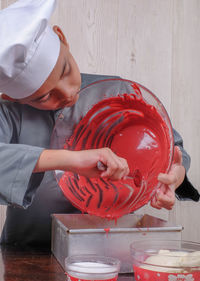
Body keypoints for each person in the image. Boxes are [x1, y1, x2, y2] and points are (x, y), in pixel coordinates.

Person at [0, 0, 199, 246]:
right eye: (44, 97)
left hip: (109, 250)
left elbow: (173, 151)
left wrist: (173, 175)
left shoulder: (118, 93)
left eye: (65, 70)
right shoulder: (9, 114)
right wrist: (71, 160)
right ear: (11, 97)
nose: (67, 93)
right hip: (27, 253)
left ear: (62, 38)